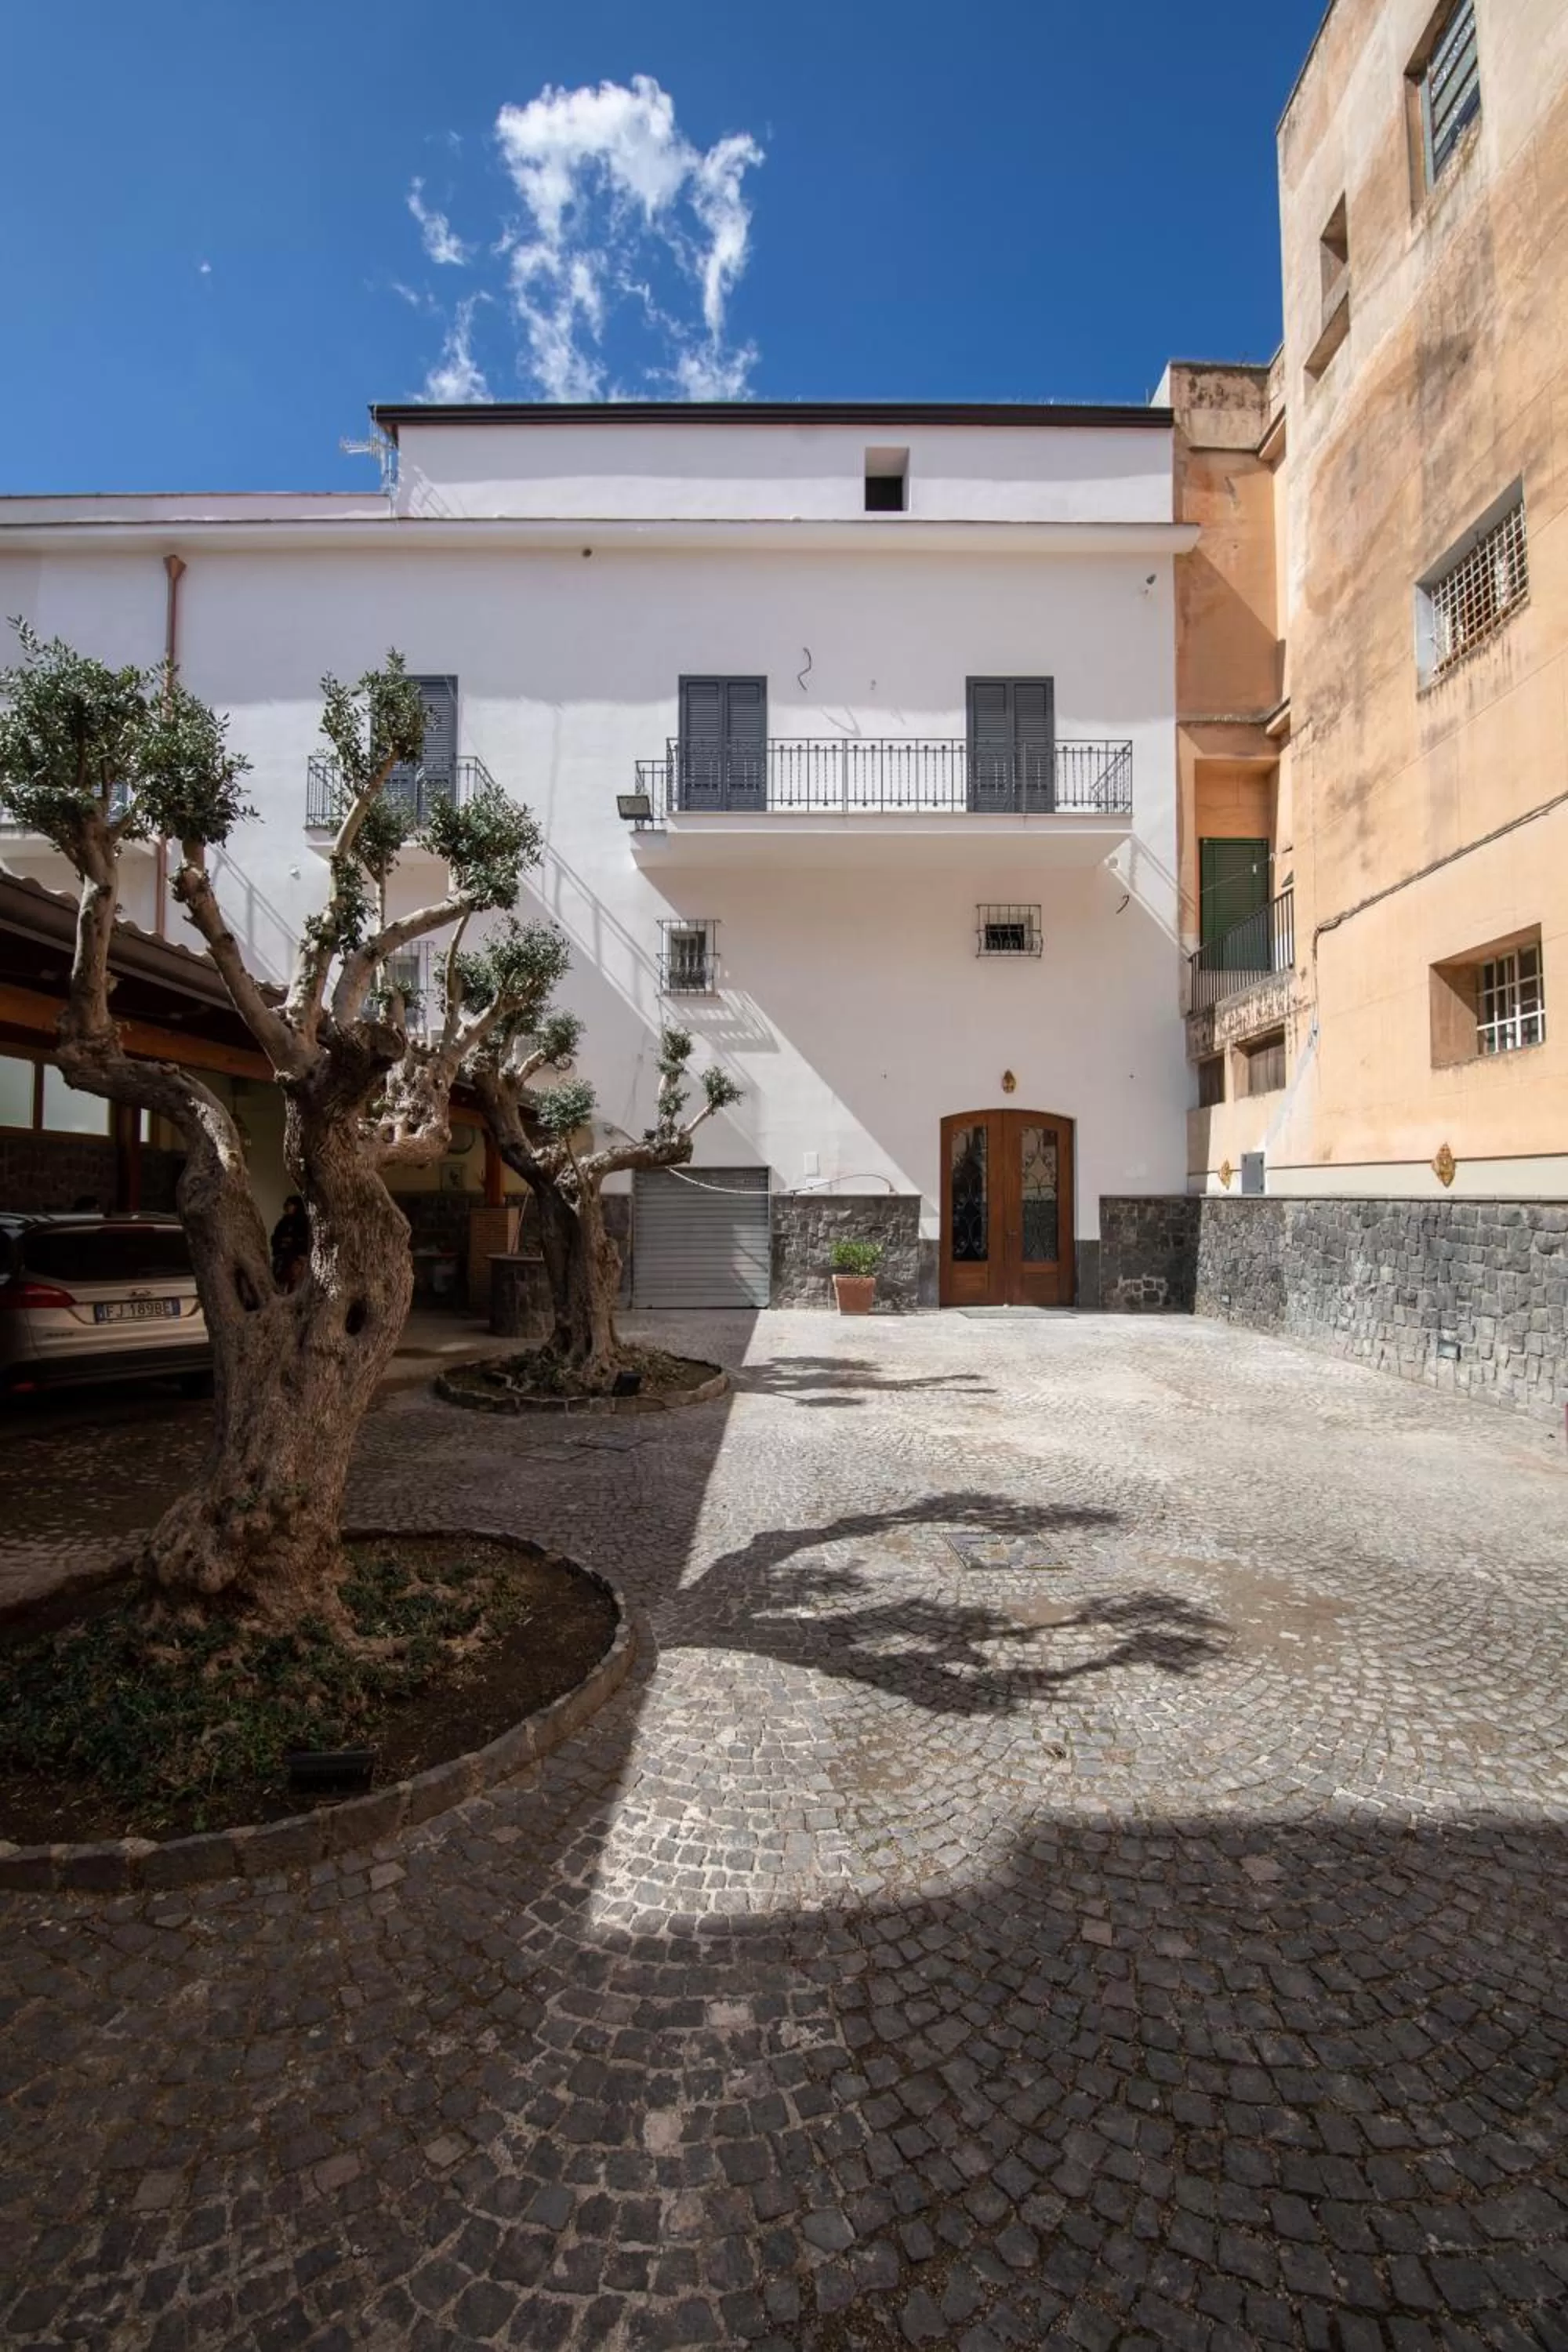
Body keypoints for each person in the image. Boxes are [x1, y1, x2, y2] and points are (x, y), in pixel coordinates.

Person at [270, 1194, 310, 1292]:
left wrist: (293, 1242)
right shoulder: (283, 1223)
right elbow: (274, 1239)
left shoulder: (304, 1223)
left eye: (290, 1205)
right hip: (283, 1259)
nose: (287, 1207)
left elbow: (307, 1241)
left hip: (298, 1259)